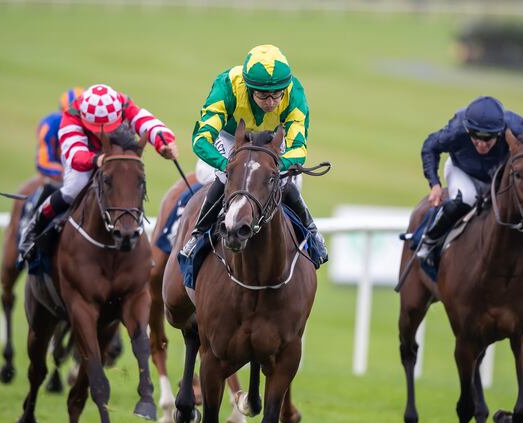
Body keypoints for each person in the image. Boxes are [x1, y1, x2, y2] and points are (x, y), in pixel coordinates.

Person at [181, 44, 327, 264]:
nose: (270, 102)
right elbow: (202, 139)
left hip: (271, 139)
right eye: (263, 96)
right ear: (249, 88)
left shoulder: (294, 92)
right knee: (224, 178)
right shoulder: (227, 86)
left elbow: (298, 147)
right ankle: (198, 234)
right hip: (231, 136)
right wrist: (226, 165)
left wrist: (277, 166)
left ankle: (312, 233)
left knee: (288, 183)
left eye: (276, 96)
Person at [18, 83, 178, 259]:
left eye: (109, 126)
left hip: (116, 151)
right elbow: (74, 154)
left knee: (129, 180)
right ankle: (34, 228)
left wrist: (165, 143)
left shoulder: (123, 104)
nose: (103, 133)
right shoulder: (71, 116)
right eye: (97, 128)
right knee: (75, 187)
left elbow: (148, 123)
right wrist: (96, 159)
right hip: (84, 156)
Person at [417, 95, 523, 264]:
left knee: (515, 199)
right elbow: (430, 147)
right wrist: (435, 184)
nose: (481, 144)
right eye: (475, 136)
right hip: (462, 171)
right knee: (466, 198)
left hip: (497, 175)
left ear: (500, 132)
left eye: (488, 138)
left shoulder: (516, 127)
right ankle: (429, 240)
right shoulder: (457, 128)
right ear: (467, 129)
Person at [35, 87, 84, 180]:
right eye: (72, 113)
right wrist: (63, 172)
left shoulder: (98, 126)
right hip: (59, 177)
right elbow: (42, 163)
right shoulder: (48, 126)